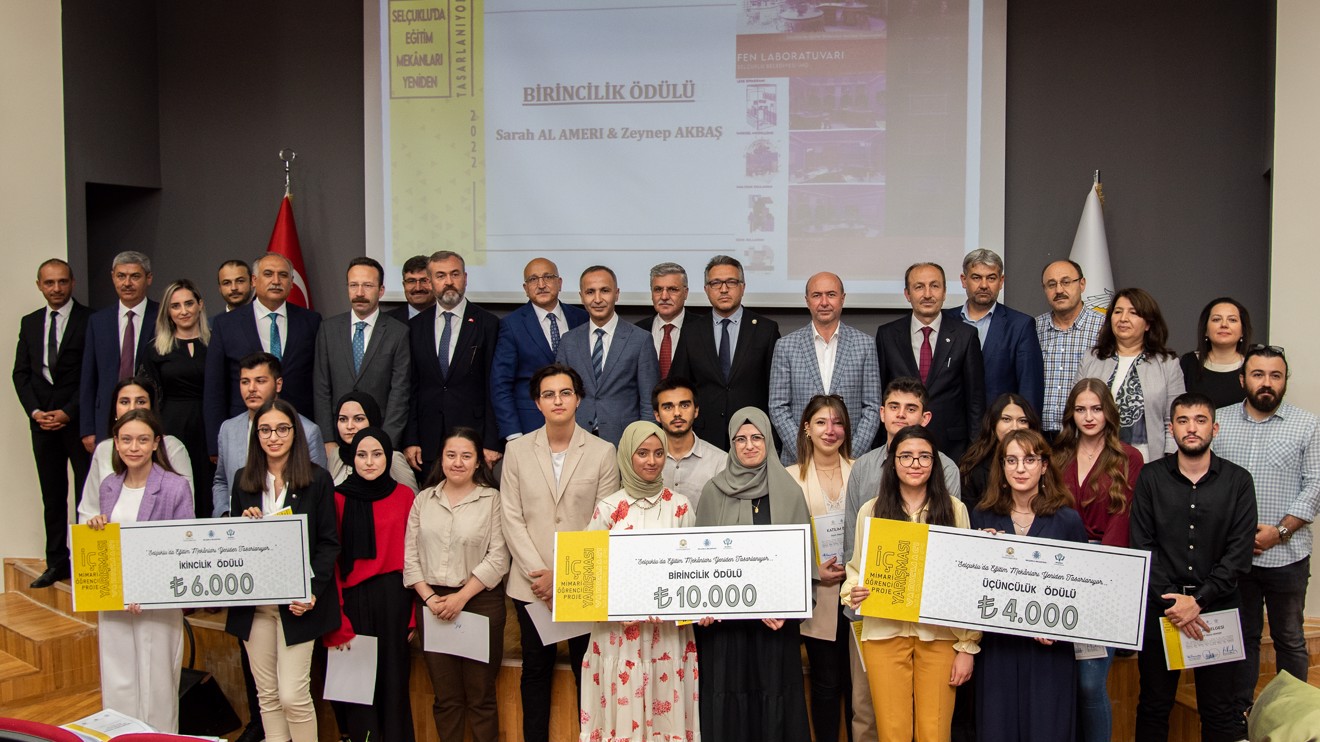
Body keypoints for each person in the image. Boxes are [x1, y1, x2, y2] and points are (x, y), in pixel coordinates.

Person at [500, 364, 619, 742]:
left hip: (582, 583)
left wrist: (564, 577)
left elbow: (604, 519)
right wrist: (540, 574)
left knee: (588, 671)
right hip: (531, 585)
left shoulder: (603, 451)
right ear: (537, 403)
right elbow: (511, 517)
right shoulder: (516, 451)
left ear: (578, 399)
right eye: (548, 394)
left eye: (565, 393)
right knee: (535, 671)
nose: (558, 400)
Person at [1129, 392, 1256, 741]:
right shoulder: (1151, 478)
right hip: (1162, 610)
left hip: (1217, 609)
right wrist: (1176, 603)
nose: (1191, 428)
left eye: (1200, 420)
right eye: (1183, 421)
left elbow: (1238, 554)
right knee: (1153, 706)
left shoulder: (1239, 482)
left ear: (1214, 428)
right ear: (1171, 428)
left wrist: (1198, 600)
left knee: (1219, 711)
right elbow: (1142, 545)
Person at [842, 425, 979, 742]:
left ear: (934, 462)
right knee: (892, 733)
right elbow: (855, 571)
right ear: (892, 462)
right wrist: (854, 592)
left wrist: (967, 646)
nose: (915, 463)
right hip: (884, 634)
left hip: (940, 636)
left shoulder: (954, 510)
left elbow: (966, 583)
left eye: (924, 457)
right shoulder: (871, 511)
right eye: (906, 456)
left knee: (936, 732)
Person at [1212, 345, 1320, 719]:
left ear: (1285, 381)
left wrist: (1279, 531)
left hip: (1287, 555)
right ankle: (1242, 715)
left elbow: (1316, 485)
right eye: (1258, 374)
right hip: (1234, 557)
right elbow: (1208, 482)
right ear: (1243, 379)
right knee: (1243, 637)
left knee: (1289, 638)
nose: (1267, 383)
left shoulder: (1307, 424)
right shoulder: (1219, 422)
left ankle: (1293, 716)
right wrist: (1234, 537)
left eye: (1276, 375)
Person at [225, 399, 341, 742]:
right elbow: (233, 545)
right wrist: (241, 525)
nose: (273, 437)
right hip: (255, 606)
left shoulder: (317, 480)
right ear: (255, 435)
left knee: (293, 696)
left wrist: (312, 592)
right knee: (268, 697)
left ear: (295, 432)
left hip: (297, 605)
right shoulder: (242, 480)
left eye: (281, 429)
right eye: (265, 430)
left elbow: (329, 543)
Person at [696, 407, 812, 742]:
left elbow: (804, 562)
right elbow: (699, 563)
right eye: (740, 439)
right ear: (731, 444)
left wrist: (789, 608)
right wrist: (701, 605)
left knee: (774, 703)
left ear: (769, 441)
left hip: (774, 628)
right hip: (725, 632)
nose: (749, 445)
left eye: (757, 437)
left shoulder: (790, 492)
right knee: (728, 707)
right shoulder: (713, 491)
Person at [580, 421, 700, 742]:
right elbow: (591, 576)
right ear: (627, 456)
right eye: (643, 453)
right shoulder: (608, 509)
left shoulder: (681, 507)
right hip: (619, 636)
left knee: (667, 714)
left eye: (659, 453)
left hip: (667, 635)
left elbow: (693, 571)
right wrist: (616, 606)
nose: (652, 461)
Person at [970, 429, 1087, 742]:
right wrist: (981, 551)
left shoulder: (1067, 520)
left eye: (1030, 460)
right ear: (1002, 467)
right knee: (998, 730)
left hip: (1049, 652)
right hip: (999, 649)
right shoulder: (982, 516)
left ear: (1044, 465)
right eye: (1011, 460)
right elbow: (971, 587)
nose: (1020, 468)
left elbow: (1083, 590)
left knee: (1048, 730)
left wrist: (1059, 628)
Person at [85, 409, 193, 732]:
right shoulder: (109, 486)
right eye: (127, 440)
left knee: (157, 688)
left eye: (143, 440)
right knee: (118, 683)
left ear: (156, 443)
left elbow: (182, 550)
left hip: (157, 606)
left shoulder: (175, 486)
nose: (134, 447)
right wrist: (96, 526)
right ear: (116, 443)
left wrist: (147, 592)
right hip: (115, 603)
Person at [1049, 378, 1143, 742]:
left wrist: (1100, 575)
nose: (1089, 417)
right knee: (1062, 680)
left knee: (1090, 683)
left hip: (1104, 576)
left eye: (1096, 409)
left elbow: (1124, 519)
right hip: (1058, 574)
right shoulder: (1056, 456)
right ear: (1071, 414)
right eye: (1081, 409)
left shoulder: (1129, 458)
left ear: (1109, 413)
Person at [406, 427, 509, 742]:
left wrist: (461, 598)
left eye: (466, 456)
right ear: (441, 458)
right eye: (451, 455)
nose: (458, 462)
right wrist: (429, 598)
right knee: (446, 698)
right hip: (433, 605)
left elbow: (498, 557)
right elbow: (410, 557)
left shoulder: (492, 500)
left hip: (479, 602)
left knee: (480, 696)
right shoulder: (424, 499)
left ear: (478, 461)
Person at [323, 427, 416, 742]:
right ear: (352, 458)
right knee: (358, 691)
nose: (369, 461)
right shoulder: (337, 497)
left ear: (388, 457)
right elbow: (332, 562)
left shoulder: (404, 496)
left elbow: (414, 557)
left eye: (377, 454)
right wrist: (337, 618)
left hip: (394, 599)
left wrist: (413, 614)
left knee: (394, 686)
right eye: (362, 455)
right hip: (353, 601)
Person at [13, 258, 91, 588]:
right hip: (42, 424)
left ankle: (88, 565)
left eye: (62, 281)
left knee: (87, 496)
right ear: (39, 286)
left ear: (72, 283)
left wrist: (69, 411)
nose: (56, 288)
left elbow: (91, 374)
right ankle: (57, 563)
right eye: (49, 283)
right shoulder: (30, 322)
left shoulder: (90, 319)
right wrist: (36, 412)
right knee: (53, 496)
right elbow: (21, 373)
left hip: (78, 423)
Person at [206, 253, 322, 455]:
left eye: (283, 275)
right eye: (268, 274)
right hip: (244, 432)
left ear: (291, 282)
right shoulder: (226, 324)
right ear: (254, 280)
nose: (276, 281)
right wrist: (216, 445)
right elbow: (214, 387)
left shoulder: (311, 321)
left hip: (298, 428)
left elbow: (319, 380)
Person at [404, 250, 502, 475]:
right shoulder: (415, 327)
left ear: (465, 278)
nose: (449, 282)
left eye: (455, 274)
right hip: (427, 441)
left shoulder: (488, 324)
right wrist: (411, 439)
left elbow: (494, 386)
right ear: (430, 282)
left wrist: (492, 441)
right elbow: (411, 387)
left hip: (473, 439)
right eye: (440, 276)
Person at [669, 255, 781, 449]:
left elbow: (776, 389)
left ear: (743, 287)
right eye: (715, 283)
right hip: (703, 436)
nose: (723, 289)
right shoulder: (691, 332)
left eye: (731, 282)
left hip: (752, 436)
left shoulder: (765, 330)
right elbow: (679, 386)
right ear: (706, 290)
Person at [876, 262, 984, 459]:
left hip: (953, 448)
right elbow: (881, 393)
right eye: (919, 287)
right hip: (900, 445)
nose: (927, 294)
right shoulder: (887, 335)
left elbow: (975, 400)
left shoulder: (965, 336)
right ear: (907, 294)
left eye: (934, 286)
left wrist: (975, 453)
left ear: (944, 292)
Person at [794, 394, 855, 742]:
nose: (830, 430)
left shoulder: (863, 471)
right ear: (807, 428)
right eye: (821, 422)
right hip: (817, 596)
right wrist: (814, 569)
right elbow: (783, 544)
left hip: (859, 595)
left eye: (837, 422)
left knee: (858, 686)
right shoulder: (790, 478)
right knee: (826, 684)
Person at [769, 272, 881, 463]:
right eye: (816, 295)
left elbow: (872, 407)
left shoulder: (865, 344)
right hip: (799, 461)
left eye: (831, 294)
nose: (824, 302)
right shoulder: (786, 346)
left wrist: (849, 455)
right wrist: (805, 452)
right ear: (807, 301)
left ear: (842, 299)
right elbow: (778, 407)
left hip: (851, 461)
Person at [313, 256, 411, 449]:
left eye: (367, 285)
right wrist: (327, 439)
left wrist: (385, 443)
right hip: (337, 441)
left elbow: (399, 393)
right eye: (353, 285)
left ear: (381, 290)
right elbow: (321, 388)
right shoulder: (328, 329)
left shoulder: (398, 332)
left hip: (380, 438)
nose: (359, 293)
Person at [1076, 287, 1184, 462]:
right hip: (1096, 457)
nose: (1123, 318)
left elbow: (1175, 418)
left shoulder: (1167, 364)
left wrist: (1169, 461)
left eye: (1133, 313)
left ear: (1148, 324)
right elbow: (1076, 409)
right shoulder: (1092, 359)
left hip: (1148, 459)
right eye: (1118, 312)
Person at [555, 265, 659, 445]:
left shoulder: (640, 339)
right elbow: (560, 395)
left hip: (624, 440)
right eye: (590, 292)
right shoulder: (569, 341)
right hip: (576, 438)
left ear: (616, 294)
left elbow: (649, 402)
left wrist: (645, 442)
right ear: (581, 296)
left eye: (605, 291)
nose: (597, 299)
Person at [213, 353, 326, 518]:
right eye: (245, 382)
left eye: (260, 381)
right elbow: (222, 481)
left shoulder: (308, 431)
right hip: (240, 527)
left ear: (278, 384)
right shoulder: (228, 429)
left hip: (295, 526)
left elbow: (318, 490)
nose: (251, 388)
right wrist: (226, 516)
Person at [490, 257, 587, 440]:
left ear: (559, 283)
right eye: (533, 279)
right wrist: (513, 434)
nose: (541, 285)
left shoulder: (581, 318)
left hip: (580, 423)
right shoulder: (512, 325)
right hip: (530, 426)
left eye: (548, 277)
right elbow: (501, 383)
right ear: (525, 288)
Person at [141, 279, 214, 519]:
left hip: (209, 426)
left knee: (208, 485)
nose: (183, 311)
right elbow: (147, 396)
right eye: (175, 306)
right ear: (168, 312)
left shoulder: (216, 343)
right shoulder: (155, 349)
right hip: (171, 426)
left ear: (200, 305)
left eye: (189, 303)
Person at [79, 377, 192, 521]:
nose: (132, 408)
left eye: (141, 402)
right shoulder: (108, 480)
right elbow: (89, 510)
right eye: (124, 402)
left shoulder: (173, 454)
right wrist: (94, 525)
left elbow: (185, 515)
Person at [80, 250, 158, 446]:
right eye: (121, 276)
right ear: (113, 277)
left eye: (135, 276)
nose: (127, 283)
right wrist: (88, 428)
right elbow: (89, 377)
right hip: (106, 417)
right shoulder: (98, 321)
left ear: (148, 278)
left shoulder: (162, 316)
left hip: (152, 415)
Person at [951, 249, 1043, 413]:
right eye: (976, 277)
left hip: (1000, 424)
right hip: (952, 424)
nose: (984, 285)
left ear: (1001, 281)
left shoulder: (1020, 326)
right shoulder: (946, 320)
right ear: (964, 280)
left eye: (991, 278)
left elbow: (1029, 388)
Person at [1035, 260, 1105, 436]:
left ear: (1082, 284)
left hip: (1085, 435)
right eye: (1051, 284)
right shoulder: (1033, 328)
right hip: (1039, 435)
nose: (1059, 290)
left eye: (1066, 282)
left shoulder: (1105, 328)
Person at [957, 392, 1040, 510]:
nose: (1014, 427)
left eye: (1022, 421)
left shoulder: (1042, 462)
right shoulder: (974, 466)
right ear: (993, 423)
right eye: (1006, 419)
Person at [654, 376, 726, 511]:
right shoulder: (645, 462)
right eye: (668, 407)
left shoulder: (720, 461)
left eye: (684, 405)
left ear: (696, 411)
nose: (677, 413)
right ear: (657, 415)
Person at [327, 391, 417, 491]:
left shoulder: (392, 457)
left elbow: (412, 497)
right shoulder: (336, 454)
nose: (349, 426)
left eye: (358, 419)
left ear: (372, 419)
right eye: (343, 419)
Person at [1179, 297, 1253, 409]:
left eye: (1232, 320)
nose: (1224, 325)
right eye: (1216, 319)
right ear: (1205, 330)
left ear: (1243, 331)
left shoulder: (1252, 365)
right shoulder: (1189, 362)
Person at [637, 261, 692, 379]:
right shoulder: (637, 331)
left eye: (672, 289)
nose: (664, 296)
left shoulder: (702, 329)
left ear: (685, 293)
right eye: (658, 289)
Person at [386, 254, 435, 324]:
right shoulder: (386, 321)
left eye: (424, 281)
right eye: (411, 281)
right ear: (404, 285)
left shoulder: (448, 319)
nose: (418, 288)